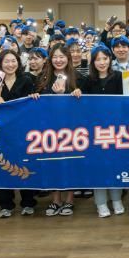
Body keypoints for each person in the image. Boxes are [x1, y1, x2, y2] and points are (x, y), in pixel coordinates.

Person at [0, 50, 36, 217]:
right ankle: (5, 204)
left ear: (18, 62)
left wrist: (34, 96)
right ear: (0, 63)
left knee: (24, 164)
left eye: (13, 61)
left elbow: (29, 105)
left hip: (23, 131)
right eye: (6, 61)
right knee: (3, 165)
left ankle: (28, 202)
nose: (10, 64)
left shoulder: (26, 79)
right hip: (0, 131)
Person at [35, 44, 84, 217]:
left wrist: (76, 94)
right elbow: (37, 102)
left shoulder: (78, 77)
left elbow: (86, 105)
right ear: (50, 59)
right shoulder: (42, 77)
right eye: (55, 56)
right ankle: (56, 200)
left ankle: (70, 199)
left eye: (62, 56)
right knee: (52, 163)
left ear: (68, 58)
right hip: (49, 128)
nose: (58, 60)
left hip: (71, 129)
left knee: (69, 163)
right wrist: (35, 96)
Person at [82, 45, 125, 218]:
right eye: (98, 59)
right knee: (98, 166)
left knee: (115, 165)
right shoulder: (87, 80)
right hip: (95, 131)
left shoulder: (120, 77)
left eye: (105, 59)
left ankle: (117, 199)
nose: (102, 62)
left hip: (116, 129)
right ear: (93, 62)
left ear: (110, 59)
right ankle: (100, 203)